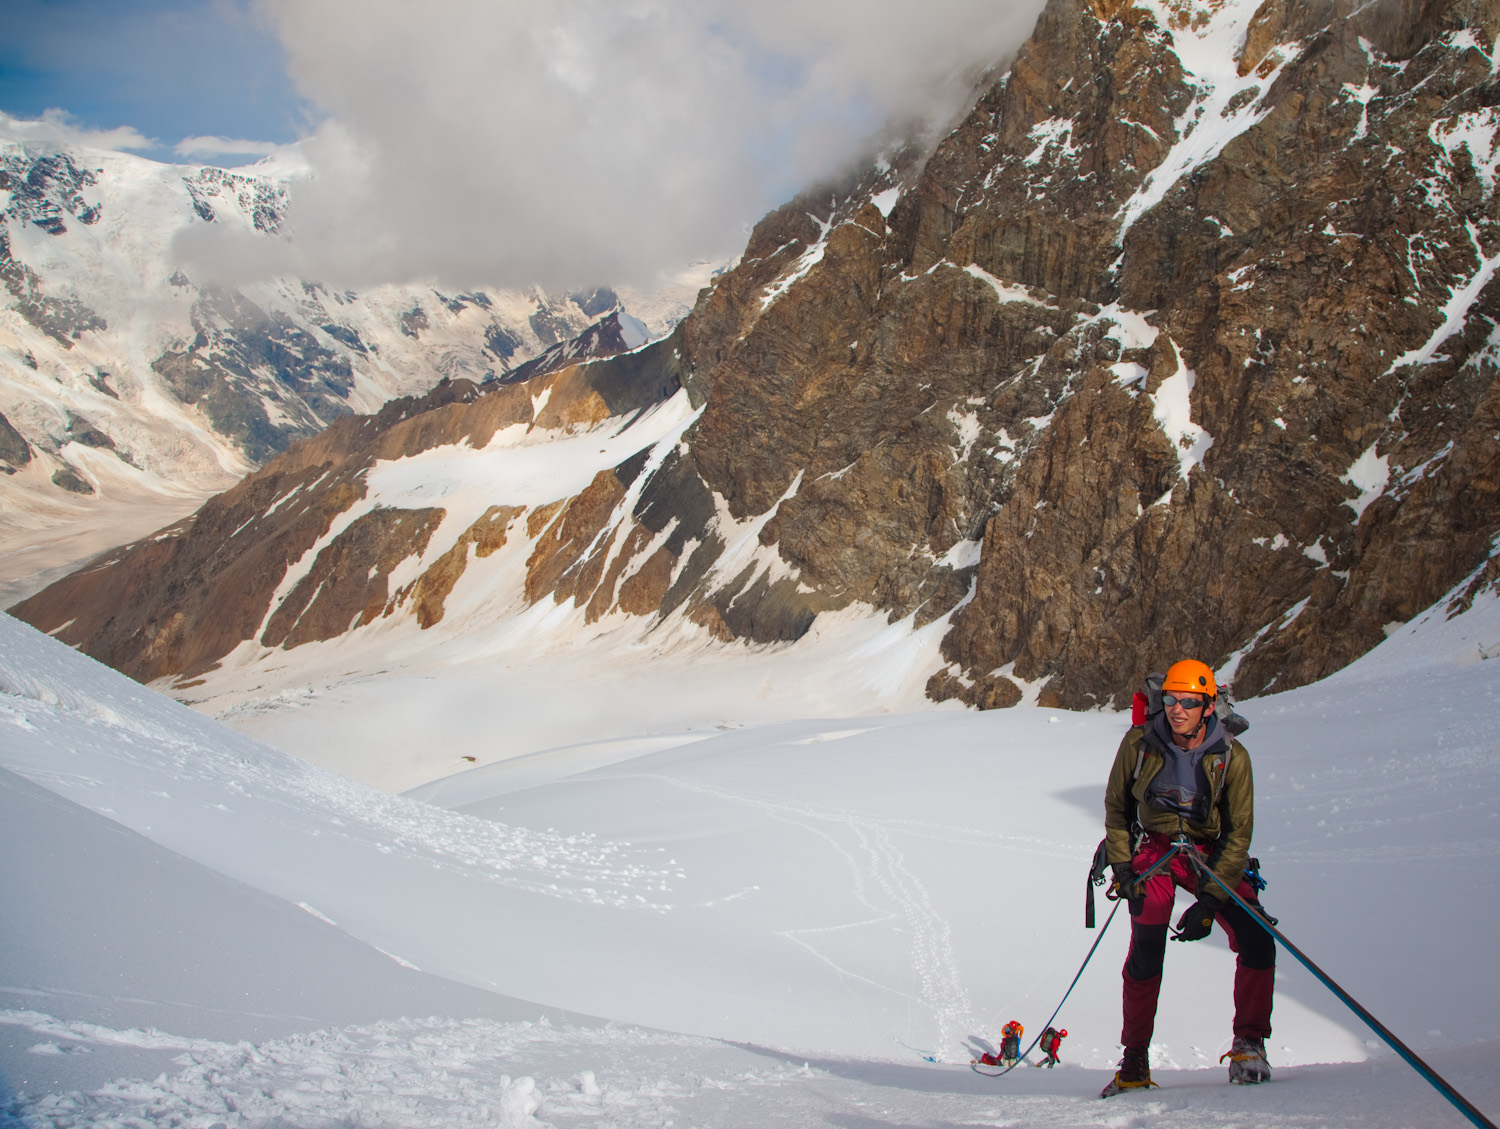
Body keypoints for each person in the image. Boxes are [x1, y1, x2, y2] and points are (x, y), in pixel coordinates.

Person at [1100, 660, 1275, 1097]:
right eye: (1172, 701)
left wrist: (1212, 901)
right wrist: (1123, 868)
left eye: (1189, 703)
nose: (1177, 710)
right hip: (1156, 851)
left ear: (1208, 707)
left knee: (1257, 939)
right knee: (1146, 948)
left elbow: (1238, 834)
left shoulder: (1232, 757)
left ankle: (1250, 1042)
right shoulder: (1140, 742)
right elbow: (1117, 808)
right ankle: (1135, 1058)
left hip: (1208, 855)